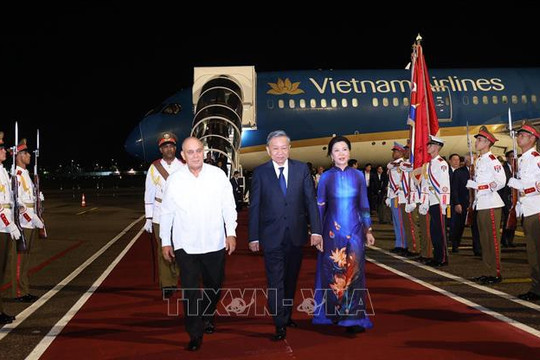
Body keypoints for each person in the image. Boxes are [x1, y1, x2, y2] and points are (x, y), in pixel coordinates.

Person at [160, 137, 237, 351]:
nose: (195, 155)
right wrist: (166, 241)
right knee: (190, 291)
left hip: (214, 242)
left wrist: (231, 233)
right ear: (183, 156)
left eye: (198, 151)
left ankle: (208, 314)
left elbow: (228, 207)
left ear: (203, 152)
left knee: (214, 285)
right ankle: (195, 333)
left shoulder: (218, 176)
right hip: (186, 245)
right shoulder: (174, 180)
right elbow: (167, 212)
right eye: (190, 152)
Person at [248, 130, 322, 341]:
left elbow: (310, 201)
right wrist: (254, 236)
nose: (280, 153)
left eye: (283, 148)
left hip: (296, 236)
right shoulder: (260, 173)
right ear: (268, 150)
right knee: (275, 281)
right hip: (271, 236)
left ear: (289, 149)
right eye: (275, 148)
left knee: (291, 279)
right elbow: (255, 207)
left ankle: (287, 314)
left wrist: (315, 230)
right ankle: (279, 322)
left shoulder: (301, 170)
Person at [313, 135, 375, 334]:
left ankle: (353, 317)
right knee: (334, 272)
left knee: (354, 274)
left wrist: (369, 229)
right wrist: (317, 233)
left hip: (355, 232)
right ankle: (334, 314)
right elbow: (320, 206)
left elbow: (364, 205)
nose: (341, 153)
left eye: (344, 149)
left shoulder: (358, 176)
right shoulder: (325, 177)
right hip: (331, 233)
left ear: (350, 152)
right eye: (337, 150)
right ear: (331, 155)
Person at [143, 132, 183, 298]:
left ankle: (175, 277)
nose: (168, 149)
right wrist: (149, 218)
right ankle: (167, 285)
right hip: (160, 214)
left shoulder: (183, 166)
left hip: (179, 215)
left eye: (171, 146)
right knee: (163, 250)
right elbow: (149, 193)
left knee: (180, 249)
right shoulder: (154, 168)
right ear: (161, 150)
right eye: (165, 146)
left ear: (175, 148)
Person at [466, 126, 506, 285]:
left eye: (480, 140)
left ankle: (496, 273)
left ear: (488, 143)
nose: (476, 142)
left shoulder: (492, 160)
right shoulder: (480, 159)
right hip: (481, 204)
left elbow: (501, 181)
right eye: (477, 139)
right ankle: (487, 271)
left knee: (492, 240)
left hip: (491, 203)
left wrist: (478, 187)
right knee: (484, 240)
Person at [8, 138, 44, 303]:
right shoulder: (16, 174)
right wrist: (31, 217)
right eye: (26, 153)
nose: (29, 155)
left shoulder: (26, 174)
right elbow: (17, 202)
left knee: (26, 258)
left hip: (30, 220)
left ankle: (25, 288)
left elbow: (29, 198)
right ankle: (19, 292)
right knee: (20, 258)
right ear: (19, 156)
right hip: (23, 221)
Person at [507, 122, 540, 301]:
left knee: (536, 251)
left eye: (523, 135)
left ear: (532, 138)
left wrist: (524, 188)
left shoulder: (536, 159)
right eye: (519, 135)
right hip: (527, 209)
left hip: (536, 209)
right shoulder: (522, 159)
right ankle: (536, 288)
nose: (519, 137)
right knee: (532, 252)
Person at [418, 135, 451, 267]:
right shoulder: (429, 164)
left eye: (430, 145)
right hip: (431, 201)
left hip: (439, 201)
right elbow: (425, 185)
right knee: (433, 231)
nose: (428, 147)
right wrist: (424, 202)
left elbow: (444, 186)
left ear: (437, 147)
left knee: (440, 231)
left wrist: (444, 204)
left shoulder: (441, 163)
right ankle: (437, 256)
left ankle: (442, 258)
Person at [0, 132, 21, 324]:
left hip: (4, 226)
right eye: (1, 148)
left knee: (2, 271)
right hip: (1, 226)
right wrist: (9, 223)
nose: (5, 150)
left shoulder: (2, 170)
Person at [386, 142, 407, 254]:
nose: (393, 153)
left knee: (400, 221)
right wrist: (389, 196)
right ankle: (399, 243)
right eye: (393, 151)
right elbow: (390, 182)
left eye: (396, 151)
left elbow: (403, 181)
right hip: (394, 196)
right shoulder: (392, 165)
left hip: (400, 196)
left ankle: (403, 245)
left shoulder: (402, 164)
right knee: (395, 221)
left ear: (401, 152)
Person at [499, 150, 516, 247]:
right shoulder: (503, 168)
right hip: (505, 196)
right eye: (511, 156)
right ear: (507, 158)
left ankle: (510, 240)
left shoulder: (517, 169)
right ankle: (504, 239)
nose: (513, 158)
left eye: (514, 157)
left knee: (513, 219)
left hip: (515, 197)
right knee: (507, 218)